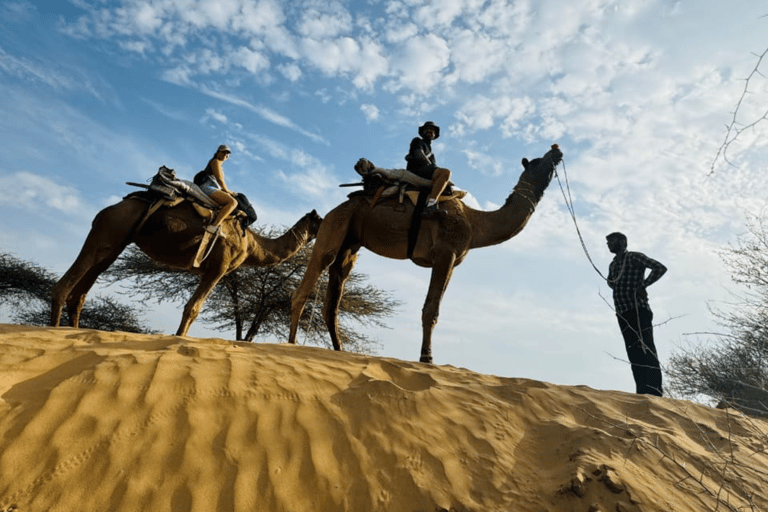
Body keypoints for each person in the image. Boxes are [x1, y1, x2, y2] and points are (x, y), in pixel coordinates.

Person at [606, 232, 667, 396]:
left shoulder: (634, 257)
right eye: (608, 242)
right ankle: (642, 390)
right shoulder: (613, 265)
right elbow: (611, 282)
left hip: (638, 309)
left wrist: (643, 285)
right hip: (622, 312)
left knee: (646, 348)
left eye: (612, 240)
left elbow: (660, 268)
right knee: (633, 352)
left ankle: (654, 391)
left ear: (623, 242)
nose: (609, 244)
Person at [405, 121, 452, 216]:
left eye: (432, 130)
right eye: (428, 129)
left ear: (435, 135)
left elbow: (432, 167)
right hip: (416, 171)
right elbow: (419, 155)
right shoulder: (417, 141)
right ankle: (431, 205)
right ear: (422, 132)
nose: (430, 131)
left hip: (425, 172)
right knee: (445, 173)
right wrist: (437, 170)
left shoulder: (431, 153)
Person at [194, 144, 239, 235]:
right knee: (232, 202)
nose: (225, 155)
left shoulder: (219, 164)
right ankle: (214, 226)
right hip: (207, 186)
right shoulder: (216, 162)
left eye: (227, 154)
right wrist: (227, 191)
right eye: (223, 152)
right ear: (218, 152)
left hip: (211, 186)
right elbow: (220, 180)